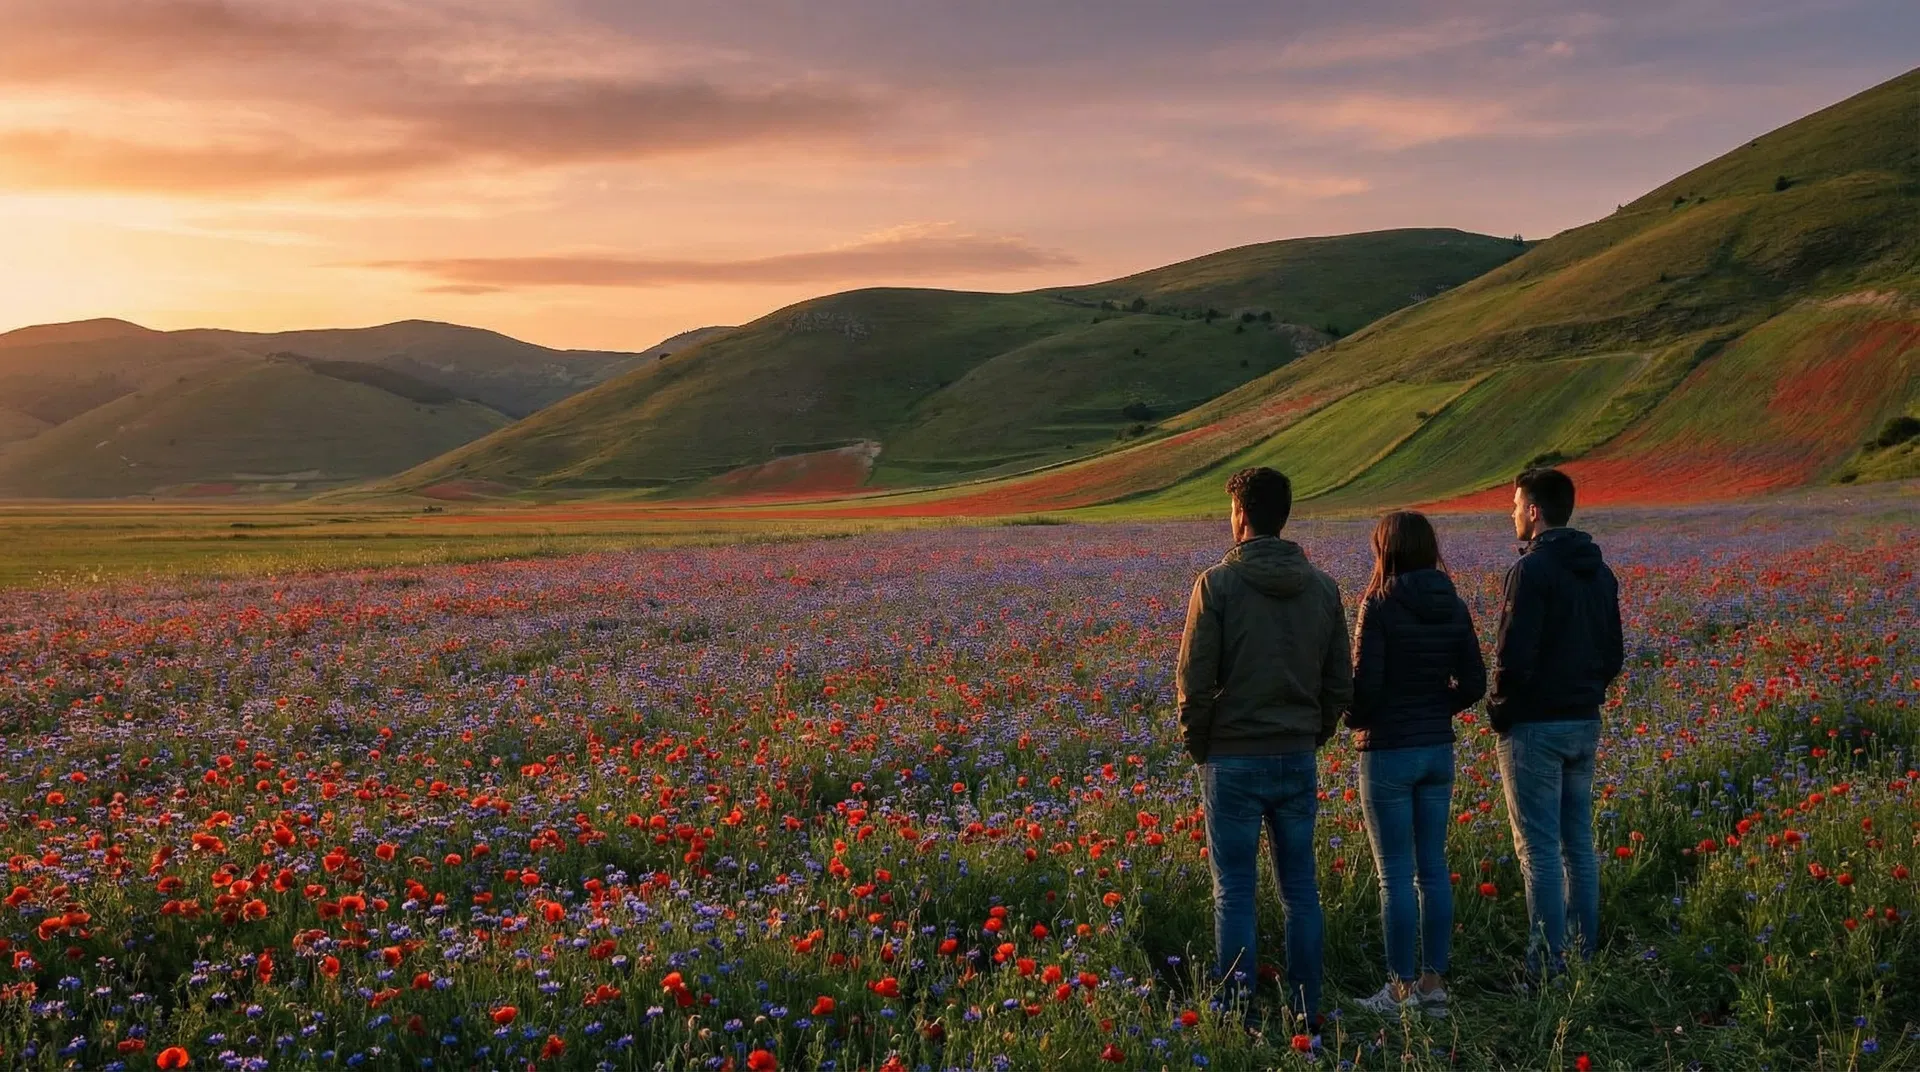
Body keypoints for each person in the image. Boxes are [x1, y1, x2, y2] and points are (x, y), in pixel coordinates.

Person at [1176, 466, 1352, 1027]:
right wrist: (1312, 733)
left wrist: (1200, 744)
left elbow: (1194, 680)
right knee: (1301, 890)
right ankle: (1306, 1007)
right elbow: (1339, 683)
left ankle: (1235, 1013)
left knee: (1234, 892)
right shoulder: (1323, 587)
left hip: (1232, 756)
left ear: (1243, 515)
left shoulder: (1217, 585)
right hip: (1296, 754)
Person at [1346, 511, 1485, 1019]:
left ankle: (1399, 990)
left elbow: (1367, 687)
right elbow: (1474, 681)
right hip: (1436, 750)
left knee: (1395, 877)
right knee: (1433, 870)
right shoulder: (1454, 602)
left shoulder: (1378, 604)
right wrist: (1434, 709)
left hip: (1388, 751)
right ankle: (1434, 986)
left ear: (1387, 550)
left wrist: (1350, 716)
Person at [1489, 467, 1624, 979]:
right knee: (1579, 845)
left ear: (1534, 510)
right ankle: (1582, 954)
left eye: (1515, 503)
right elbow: (1614, 652)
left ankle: (1545, 965)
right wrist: (1587, 691)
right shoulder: (1600, 570)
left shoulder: (1532, 571)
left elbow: (1512, 655)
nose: (1513, 513)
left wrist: (1500, 711)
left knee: (1539, 850)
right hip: (1584, 721)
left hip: (1536, 726)